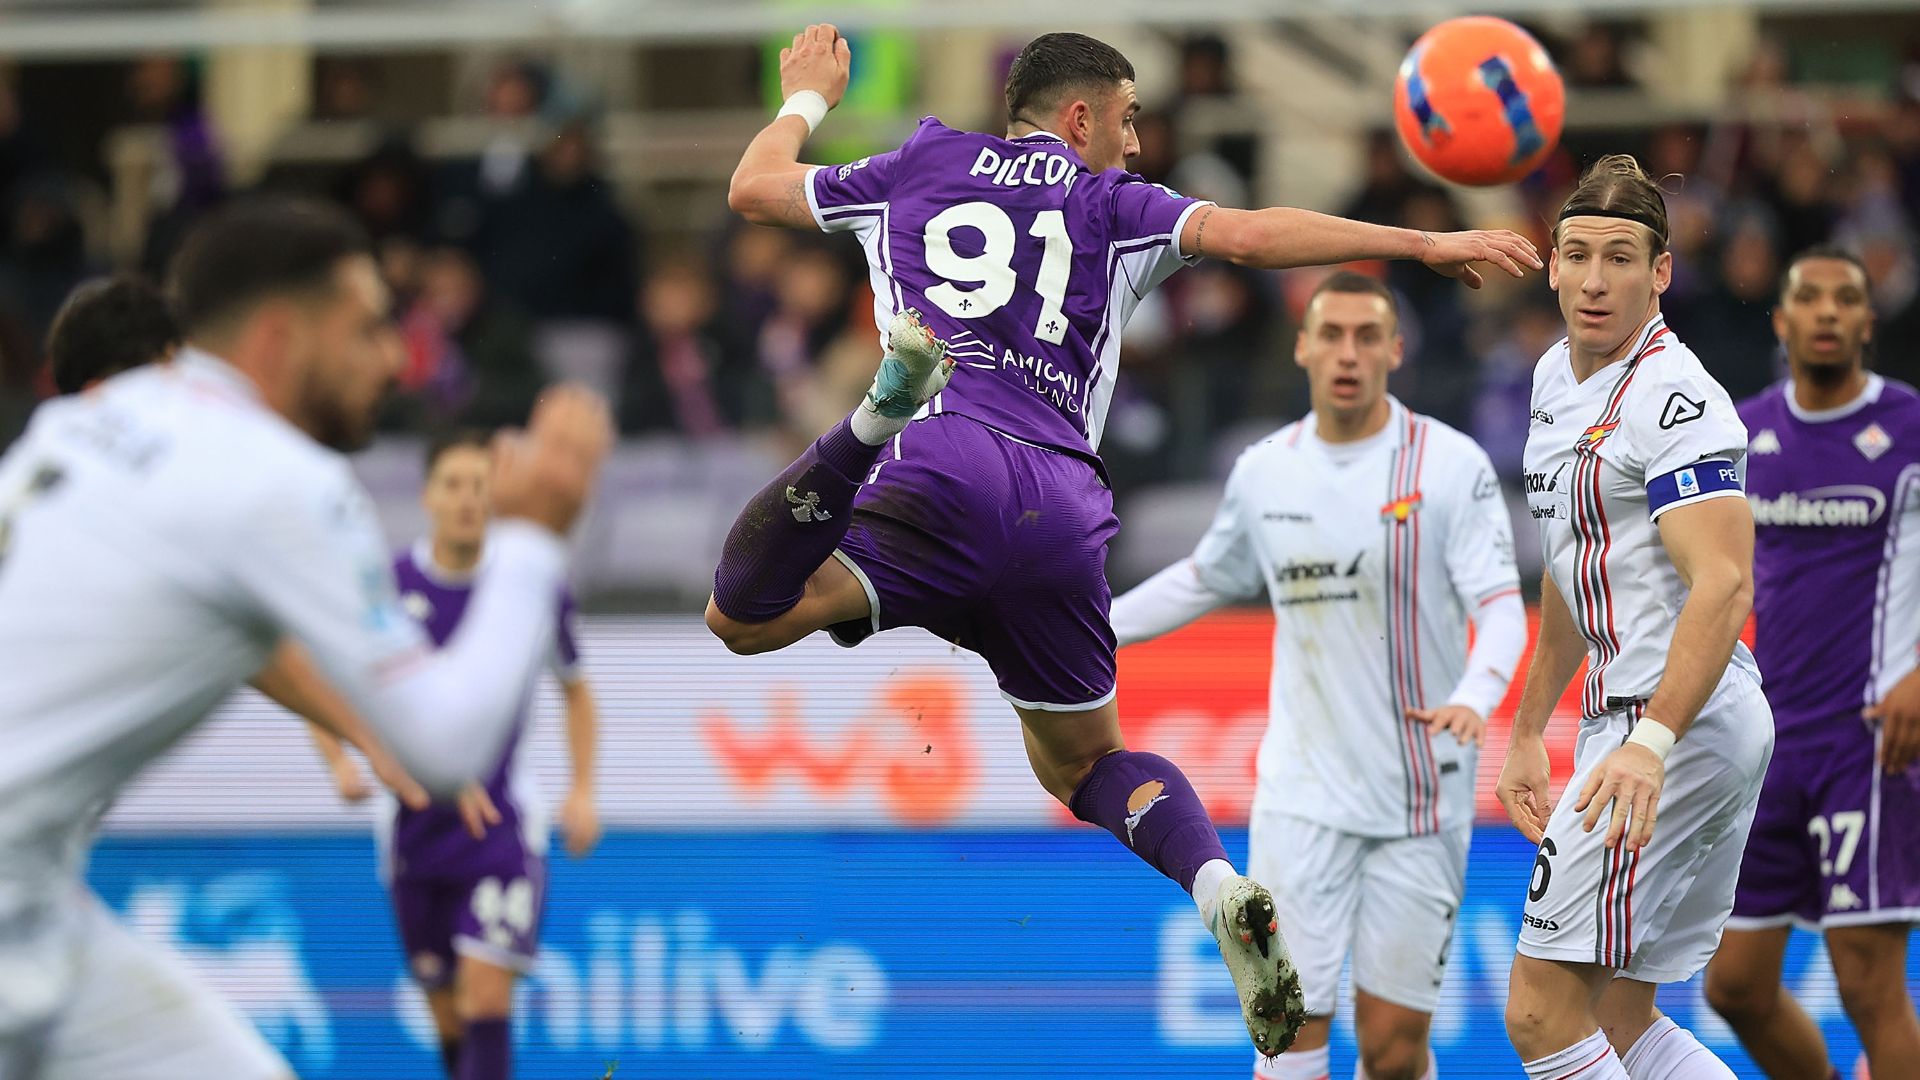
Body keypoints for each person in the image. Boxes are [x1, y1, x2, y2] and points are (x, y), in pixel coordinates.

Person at [709, 24, 1540, 1054]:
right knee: (1083, 763)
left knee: (746, 617)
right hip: (1061, 505)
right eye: (1130, 118)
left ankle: (872, 418)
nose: (1138, 144)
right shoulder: (1113, 206)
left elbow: (755, 186)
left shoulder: (918, 161)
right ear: (1079, 118)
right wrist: (1418, 244)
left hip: (943, 464)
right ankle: (1217, 884)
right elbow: (1248, 235)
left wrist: (806, 99)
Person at [0, 197, 611, 1079]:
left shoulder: (99, 421)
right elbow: (448, 745)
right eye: (367, 329)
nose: (396, 359)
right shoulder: (276, 480)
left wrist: (367, 732)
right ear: (282, 339)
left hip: (37, 907)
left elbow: (249, 642)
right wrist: (533, 538)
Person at [1111, 271, 1525, 1080]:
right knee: (1287, 1034)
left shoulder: (1449, 465)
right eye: (1330, 334)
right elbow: (1204, 576)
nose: (1348, 353)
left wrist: (1476, 695)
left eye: (1367, 336)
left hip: (1419, 802)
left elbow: (1503, 608)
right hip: (1300, 803)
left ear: (1395, 350)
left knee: (1394, 1049)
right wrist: (1095, 631)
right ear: (1302, 345)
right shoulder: (1267, 470)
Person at [1498, 154, 1773, 1080]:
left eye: (1621, 258)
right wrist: (1532, 723)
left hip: (1673, 727)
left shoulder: (1677, 399)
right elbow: (1573, 563)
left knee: (1539, 1013)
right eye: (1576, 254)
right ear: (1551, 262)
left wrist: (1651, 745)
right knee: (1614, 1017)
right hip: (1636, 727)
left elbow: (1725, 585)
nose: (1594, 279)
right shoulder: (1551, 380)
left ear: (1661, 273)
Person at [308, 429, 600, 1080]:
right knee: (446, 1017)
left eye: (481, 486)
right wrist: (339, 761)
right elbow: (320, 678)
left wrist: (583, 789)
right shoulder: (387, 588)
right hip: (413, 832)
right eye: (454, 486)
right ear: (428, 497)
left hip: (501, 826)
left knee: (486, 992)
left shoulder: (529, 586)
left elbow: (577, 692)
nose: (469, 500)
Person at [1704, 245, 1920, 1080]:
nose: (1828, 311)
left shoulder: (1907, 428)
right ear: (1782, 320)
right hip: (1765, 744)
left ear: (1868, 321)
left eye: (1846, 299)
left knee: (1869, 986)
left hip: (1867, 743)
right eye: (1810, 298)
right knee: (1736, 987)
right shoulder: (1742, 433)